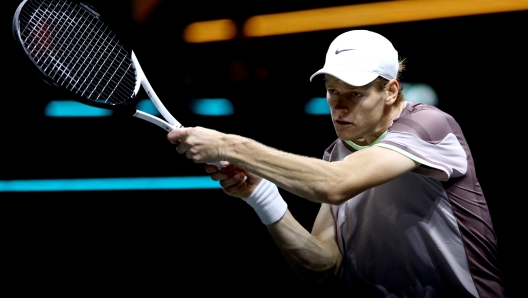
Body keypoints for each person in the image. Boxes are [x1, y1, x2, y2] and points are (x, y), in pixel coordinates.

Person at [167, 30, 506, 297]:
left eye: (355, 94)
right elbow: (322, 268)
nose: (339, 106)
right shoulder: (337, 154)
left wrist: (229, 144)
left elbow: (335, 184)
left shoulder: (430, 126)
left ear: (390, 91)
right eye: (332, 91)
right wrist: (262, 195)